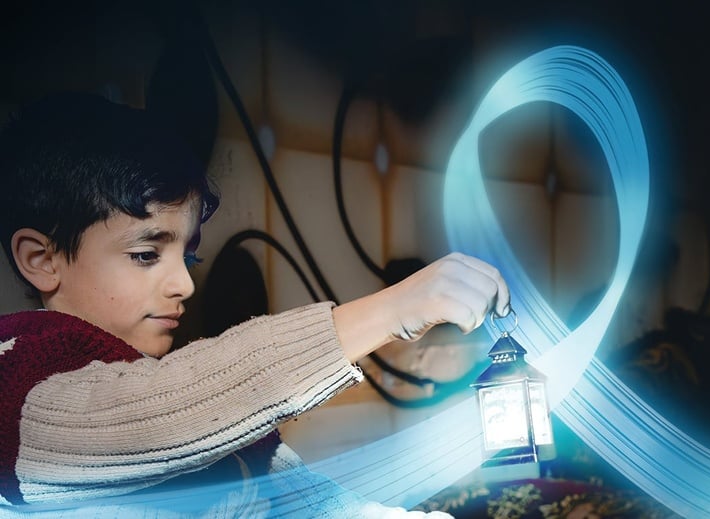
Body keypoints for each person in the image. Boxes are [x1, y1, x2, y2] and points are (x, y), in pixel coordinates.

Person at [0, 92, 510, 517]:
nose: (184, 284)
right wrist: (389, 312)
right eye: (145, 254)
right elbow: (165, 413)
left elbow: (318, 507)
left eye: (190, 257)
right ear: (41, 259)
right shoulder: (17, 380)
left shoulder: (222, 420)